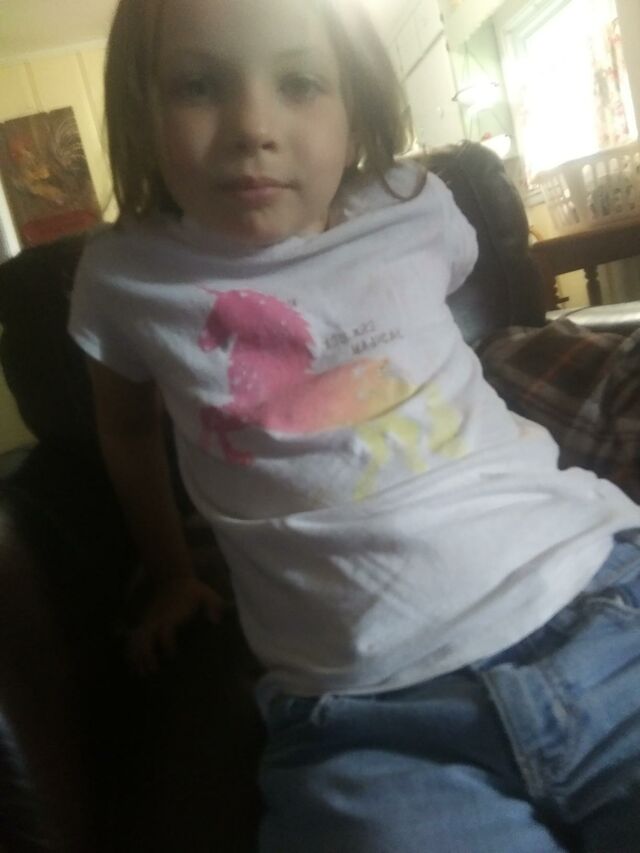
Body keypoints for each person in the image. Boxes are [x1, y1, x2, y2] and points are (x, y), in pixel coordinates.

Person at [69, 0, 640, 849]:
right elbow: (123, 428)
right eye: (198, 85)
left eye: (301, 82)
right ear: (137, 106)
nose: (253, 127)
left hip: (593, 606)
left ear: (357, 106)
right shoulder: (125, 276)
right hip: (369, 726)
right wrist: (168, 571)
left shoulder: (415, 206)